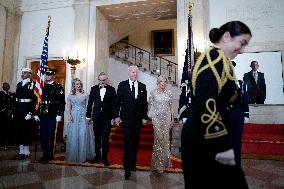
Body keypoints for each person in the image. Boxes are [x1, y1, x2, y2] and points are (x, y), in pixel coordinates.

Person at [181, 21, 251, 188]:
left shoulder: (220, 60)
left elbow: (228, 94)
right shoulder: (213, 60)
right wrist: (224, 148)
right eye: (241, 43)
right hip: (205, 140)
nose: (242, 50)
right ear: (226, 37)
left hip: (209, 138)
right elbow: (207, 107)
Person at [115, 65, 148, 179]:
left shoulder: (142, 86)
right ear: (129, 73)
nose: (135, 74)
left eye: (136, 72)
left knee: (135, 143)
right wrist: (116, 116)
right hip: (126, 119)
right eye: (133, 72)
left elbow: (144, 104)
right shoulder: (122, 85)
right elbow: (117, 102)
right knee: (128, 142)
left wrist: (145, 117)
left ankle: (133, 163)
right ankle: (127, 167)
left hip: (138, 120)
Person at [86, 72, 116, 166]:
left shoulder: (111, 89)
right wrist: (88, 116)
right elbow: (90, 103)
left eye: (104, 80)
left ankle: (104, 158)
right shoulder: (93, 89)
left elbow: (114, 105)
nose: (102, 82)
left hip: (107, 118)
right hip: (96, 117)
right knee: (97, 138)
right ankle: (97, 156)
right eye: (101, 80)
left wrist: (114, 117)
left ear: (107, 80)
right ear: (98, 80)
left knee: (106, 139)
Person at [36, 68, 65, 163]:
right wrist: (37, 113)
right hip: (43, 113)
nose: (47, 76)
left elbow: (61, 102)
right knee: (43, 135)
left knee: (51, 135)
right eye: (46, 74)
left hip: (53, 113)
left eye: (49, 75)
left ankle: (50, 154)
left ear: (53, 76)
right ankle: (45, 153)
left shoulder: (58, 87)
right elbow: (38, 100)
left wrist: (59, 114)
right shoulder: (42, 86)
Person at [148, 75, 174, 173]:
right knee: (158, 139)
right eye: (161, 82)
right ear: (158, 83)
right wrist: (145, 117)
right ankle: (157, 164)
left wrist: (172, 118)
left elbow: (171, 106)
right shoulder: (153, 92)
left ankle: (164, 163)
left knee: (165, 139)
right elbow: (149, 105)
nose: (163, 84)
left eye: (164, 82)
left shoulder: (169, 92)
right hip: (156, 119)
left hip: (166, 118)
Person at [65, 78, 95, 163]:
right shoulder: (70, 95)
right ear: (73, 85)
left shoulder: (85, 94)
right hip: (74, 116)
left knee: (83, 134)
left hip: (83, 116)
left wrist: (89, 116)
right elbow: (68, 107)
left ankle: (83, 156)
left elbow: (88, 107)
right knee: (74, 134)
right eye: (77, 84)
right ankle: (74, 155)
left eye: (79, 84)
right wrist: (69, 115)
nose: (78, 85)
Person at [13, 68, 37, 160]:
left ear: (30, 74)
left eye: (25, 73)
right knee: (18, 130)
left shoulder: (33, 84)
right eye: (22, 73)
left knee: (26, 131)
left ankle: (26, 152)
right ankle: (21, 151)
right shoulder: (19, 84)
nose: (23, 74)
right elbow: (17, 98)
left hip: (27, 110)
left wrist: (31, 112)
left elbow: (34, 99)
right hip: (19, 110)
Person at [230, 61, 250, 167]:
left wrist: (246, 113)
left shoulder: (240, 83)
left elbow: (244, 99)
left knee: (237, 142)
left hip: (238, 116)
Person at [0, 82, 15, 147]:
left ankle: (10, 141)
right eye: (5, 86)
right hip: (3, 114)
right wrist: (5, 110)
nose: (7, 86)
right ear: (2, 87)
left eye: (8, 85)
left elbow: (13, 103)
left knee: (10, 128)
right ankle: (2, 142)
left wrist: (11, 110)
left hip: (10, 113)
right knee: (2, 128)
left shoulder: (11, 94)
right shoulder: (0, 94)